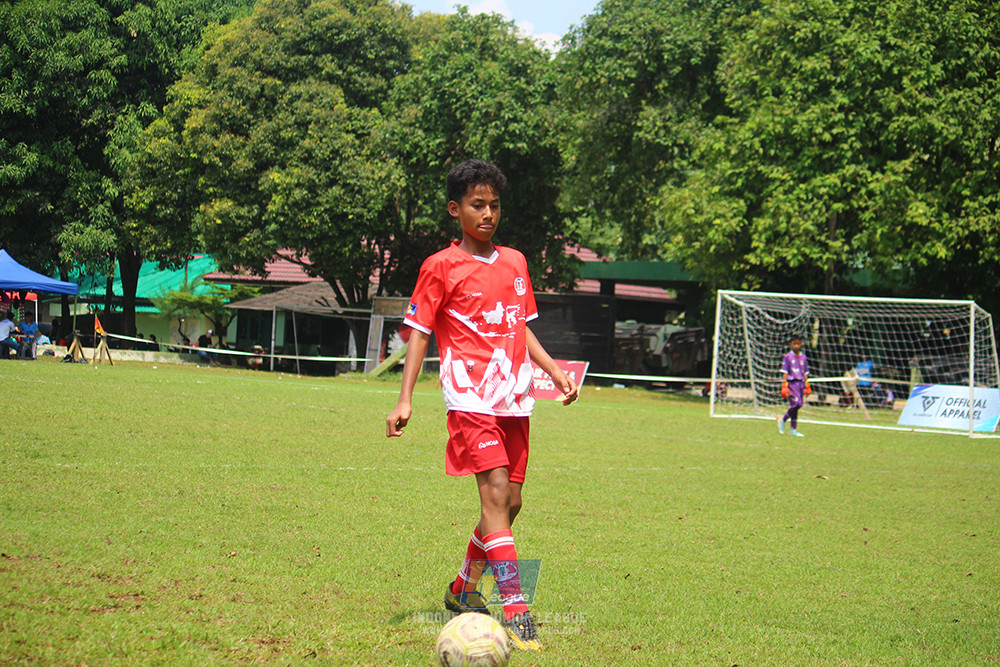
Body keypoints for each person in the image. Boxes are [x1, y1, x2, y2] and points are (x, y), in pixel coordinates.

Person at [385, 159, 578, 651]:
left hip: (515, 397)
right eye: (477, 205)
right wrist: (405, 398)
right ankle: (516, 610)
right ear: (456, 209)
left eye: (494, 205)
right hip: (469, 397)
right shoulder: (440, 266)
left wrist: (554, 371)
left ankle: (462, 588)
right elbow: (419, 332)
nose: (488, 214)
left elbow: (520, 326)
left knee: (510, 504)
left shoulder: (515, 262)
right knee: (493, 494)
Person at [778, 334, 810, 437]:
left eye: (798, 344)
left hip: (800, 383)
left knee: (795, 407)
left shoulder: (803, 357)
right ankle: (783, 419)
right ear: (790, 344)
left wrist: (807, 385)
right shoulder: (788, 356)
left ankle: (793, 429)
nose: (796, 346)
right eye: (794, 344)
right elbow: (785, 372)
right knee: (797, 404)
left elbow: (805, 373)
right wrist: (785, 385)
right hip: (792, 383)